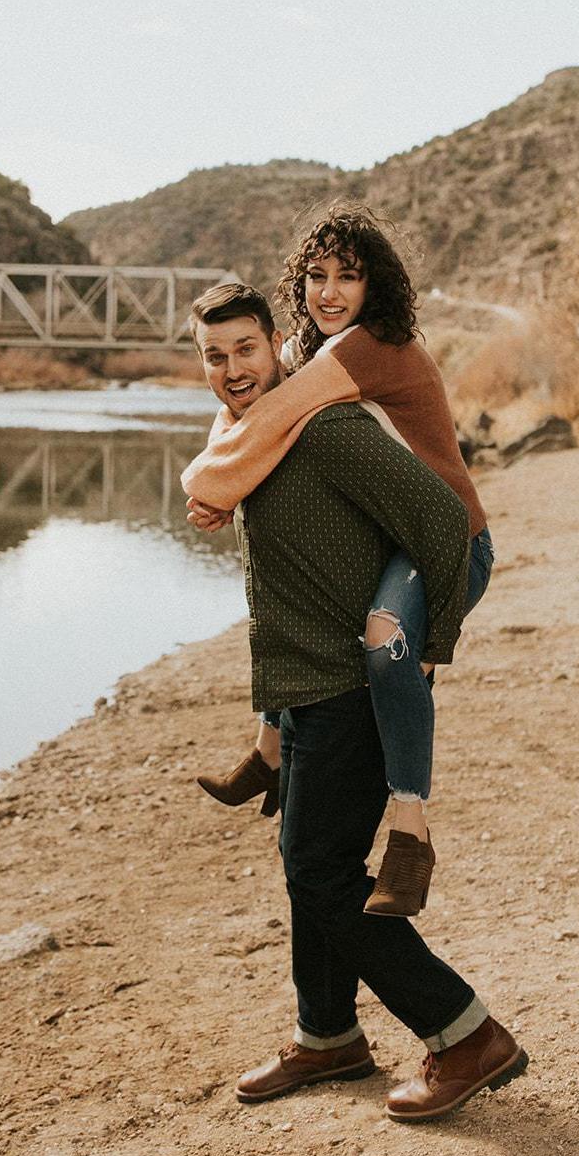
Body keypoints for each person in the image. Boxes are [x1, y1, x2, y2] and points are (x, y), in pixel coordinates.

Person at [189, 281, 529, 1120]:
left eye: (246, 349)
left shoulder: (329, 429)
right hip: (302, 689)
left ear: (277, 345)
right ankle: (328, 1036)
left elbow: (443, 522)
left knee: (320, 868)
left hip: (353, 692)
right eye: (215, 356)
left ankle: (465, 1032)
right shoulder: (247, 441)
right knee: (309, 865)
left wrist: (417, 653)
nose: (234, 369)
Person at [188, 204, 493, 917]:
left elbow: (263, 419)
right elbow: (243, 406)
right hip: (401, 539)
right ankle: (269, 751)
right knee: (303, 593)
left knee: (387, 648)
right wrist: (218, 482)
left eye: (347, 278)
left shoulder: (368, 347)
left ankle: (411, 836)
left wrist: (204, 484)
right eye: (317, 276)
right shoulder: (308, 347)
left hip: (451, 541)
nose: (329, 292)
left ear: (373, 285)